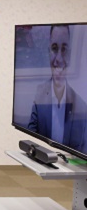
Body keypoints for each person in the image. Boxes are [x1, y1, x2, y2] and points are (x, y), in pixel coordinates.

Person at [28, 24, 87, 152]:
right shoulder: (39, 94)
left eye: (64, 50)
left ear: (70, 56)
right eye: (54, 49)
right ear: (48, 53)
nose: (59, 59)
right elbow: (30, 139)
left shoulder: (83, 108)